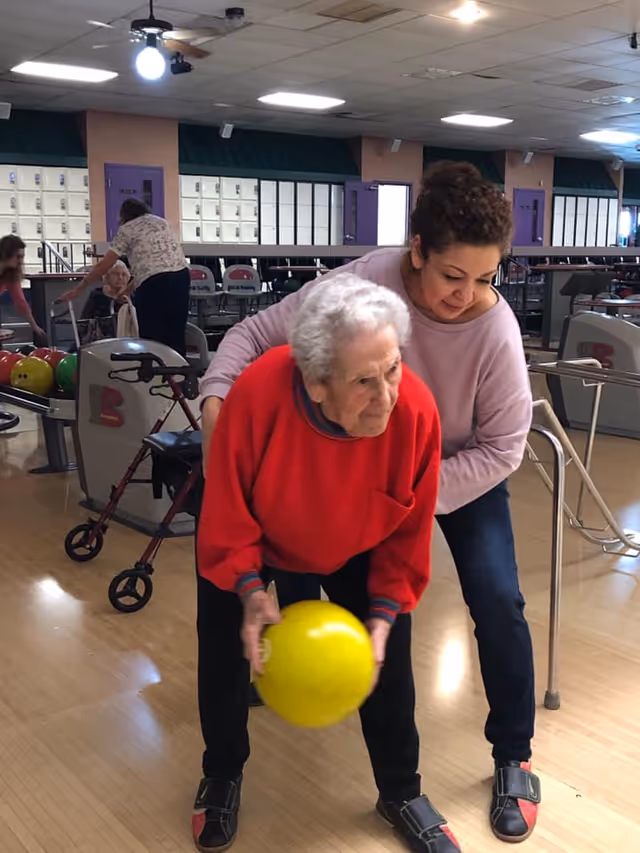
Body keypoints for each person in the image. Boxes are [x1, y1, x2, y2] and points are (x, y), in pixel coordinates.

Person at [198, 162, 539, 844]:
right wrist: (217, 404)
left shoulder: (440, 378)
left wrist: (395, 508)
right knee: (231, 624)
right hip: (335, 462)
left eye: (485, 278)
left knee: (492, 599)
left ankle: (505, 757)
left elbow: (503, 448)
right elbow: (228, 515)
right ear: (417, 253)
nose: (468, 295)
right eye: (452, 277)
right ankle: (223, 769)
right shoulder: (322, 328)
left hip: (434, 468)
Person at [195, 276, 449, 852]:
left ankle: (400, 791)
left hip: (356, 541)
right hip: (256, 540)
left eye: (392, 368)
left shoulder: (415, 414)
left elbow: (408, 535)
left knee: (390, 654)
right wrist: (250, 588)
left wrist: (384, 613)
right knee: (226, 650)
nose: (386, 395)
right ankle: (222, 773)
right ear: (315, 385)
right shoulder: (257, 398)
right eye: (363, 381)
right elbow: (227, 512)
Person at [61, 199, 190, 355]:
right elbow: (154, 267)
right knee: (175, 329)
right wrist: (127, 291)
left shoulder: (126, 229)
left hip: (154, 283)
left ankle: (156, 372)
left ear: (124, 216)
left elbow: (105, 265)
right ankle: (181, 373)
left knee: (152, 334)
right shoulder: (161, 222)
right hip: (181, 277)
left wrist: (79, 288)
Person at [0, 235, 47, 345]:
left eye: (22, 257)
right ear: (6, 254)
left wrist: (35, 327)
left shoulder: (10, 274)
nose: (21, 261)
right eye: (18, 256)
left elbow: (21, 302)